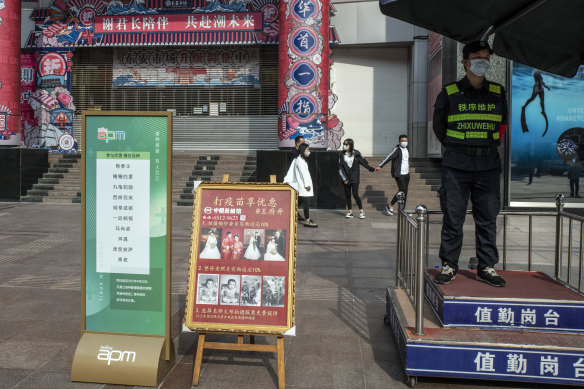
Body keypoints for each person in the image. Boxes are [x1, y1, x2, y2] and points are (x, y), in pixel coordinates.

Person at [432, 40, 508, 287]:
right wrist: (458, 147)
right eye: (477, 56)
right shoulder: (450, 92)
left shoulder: (498, 92)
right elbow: (439, 127)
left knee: (487, 218)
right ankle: (449, 265)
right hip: (456, 167)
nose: (482, 61)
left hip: (488, 165)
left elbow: (503, 126)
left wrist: (485, 145)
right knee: (453, 218)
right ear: (464, 62)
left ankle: (486, 266)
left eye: (486, 57)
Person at [338, 138, 376, 219]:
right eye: (344, 144)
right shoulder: (341, 154)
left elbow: (364, 162)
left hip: (355, 178)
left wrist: (372, 169)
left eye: (346, 144)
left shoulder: (356, 153)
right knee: (348, 195)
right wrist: (344, 179)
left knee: (355, 195)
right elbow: (340, 167)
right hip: (346, 179)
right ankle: (350, 212)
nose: (345, 146)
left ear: (351, 145)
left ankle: (361, 212)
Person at [375, 135, 410, 216]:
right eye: (402, 140)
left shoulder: (407, 149)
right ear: (399, 142)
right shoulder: (396, 150)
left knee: (405, 192)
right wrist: (380, 166)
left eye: (405, 140)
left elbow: (406, 160)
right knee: (402, 191)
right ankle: (390, 206)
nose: (404, 142)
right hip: (399, 174)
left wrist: (408, 169)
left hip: (406, 174)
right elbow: (388, 157)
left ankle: (402, 210)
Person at [284, 143, 317, 227]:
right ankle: (307, 220)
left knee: (300, 201)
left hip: (301, 184)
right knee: (306, 202)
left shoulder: (299, 159)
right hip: (303, 185)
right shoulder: (300, 161)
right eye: (308, 149)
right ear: (303, 150)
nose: (309, 151)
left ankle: (289, 212)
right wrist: (307, 185)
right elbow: (303, 174)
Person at [521, 71, 550, 136]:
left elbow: (542, 83)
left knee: (542, 101)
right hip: (537, 88)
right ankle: (524, 106)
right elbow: (539, 82)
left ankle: (543, 111)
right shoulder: (536, 75)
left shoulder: (539, 76)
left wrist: (546, 87)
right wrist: (539, 87)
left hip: (540, 88)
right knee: (532, 98)